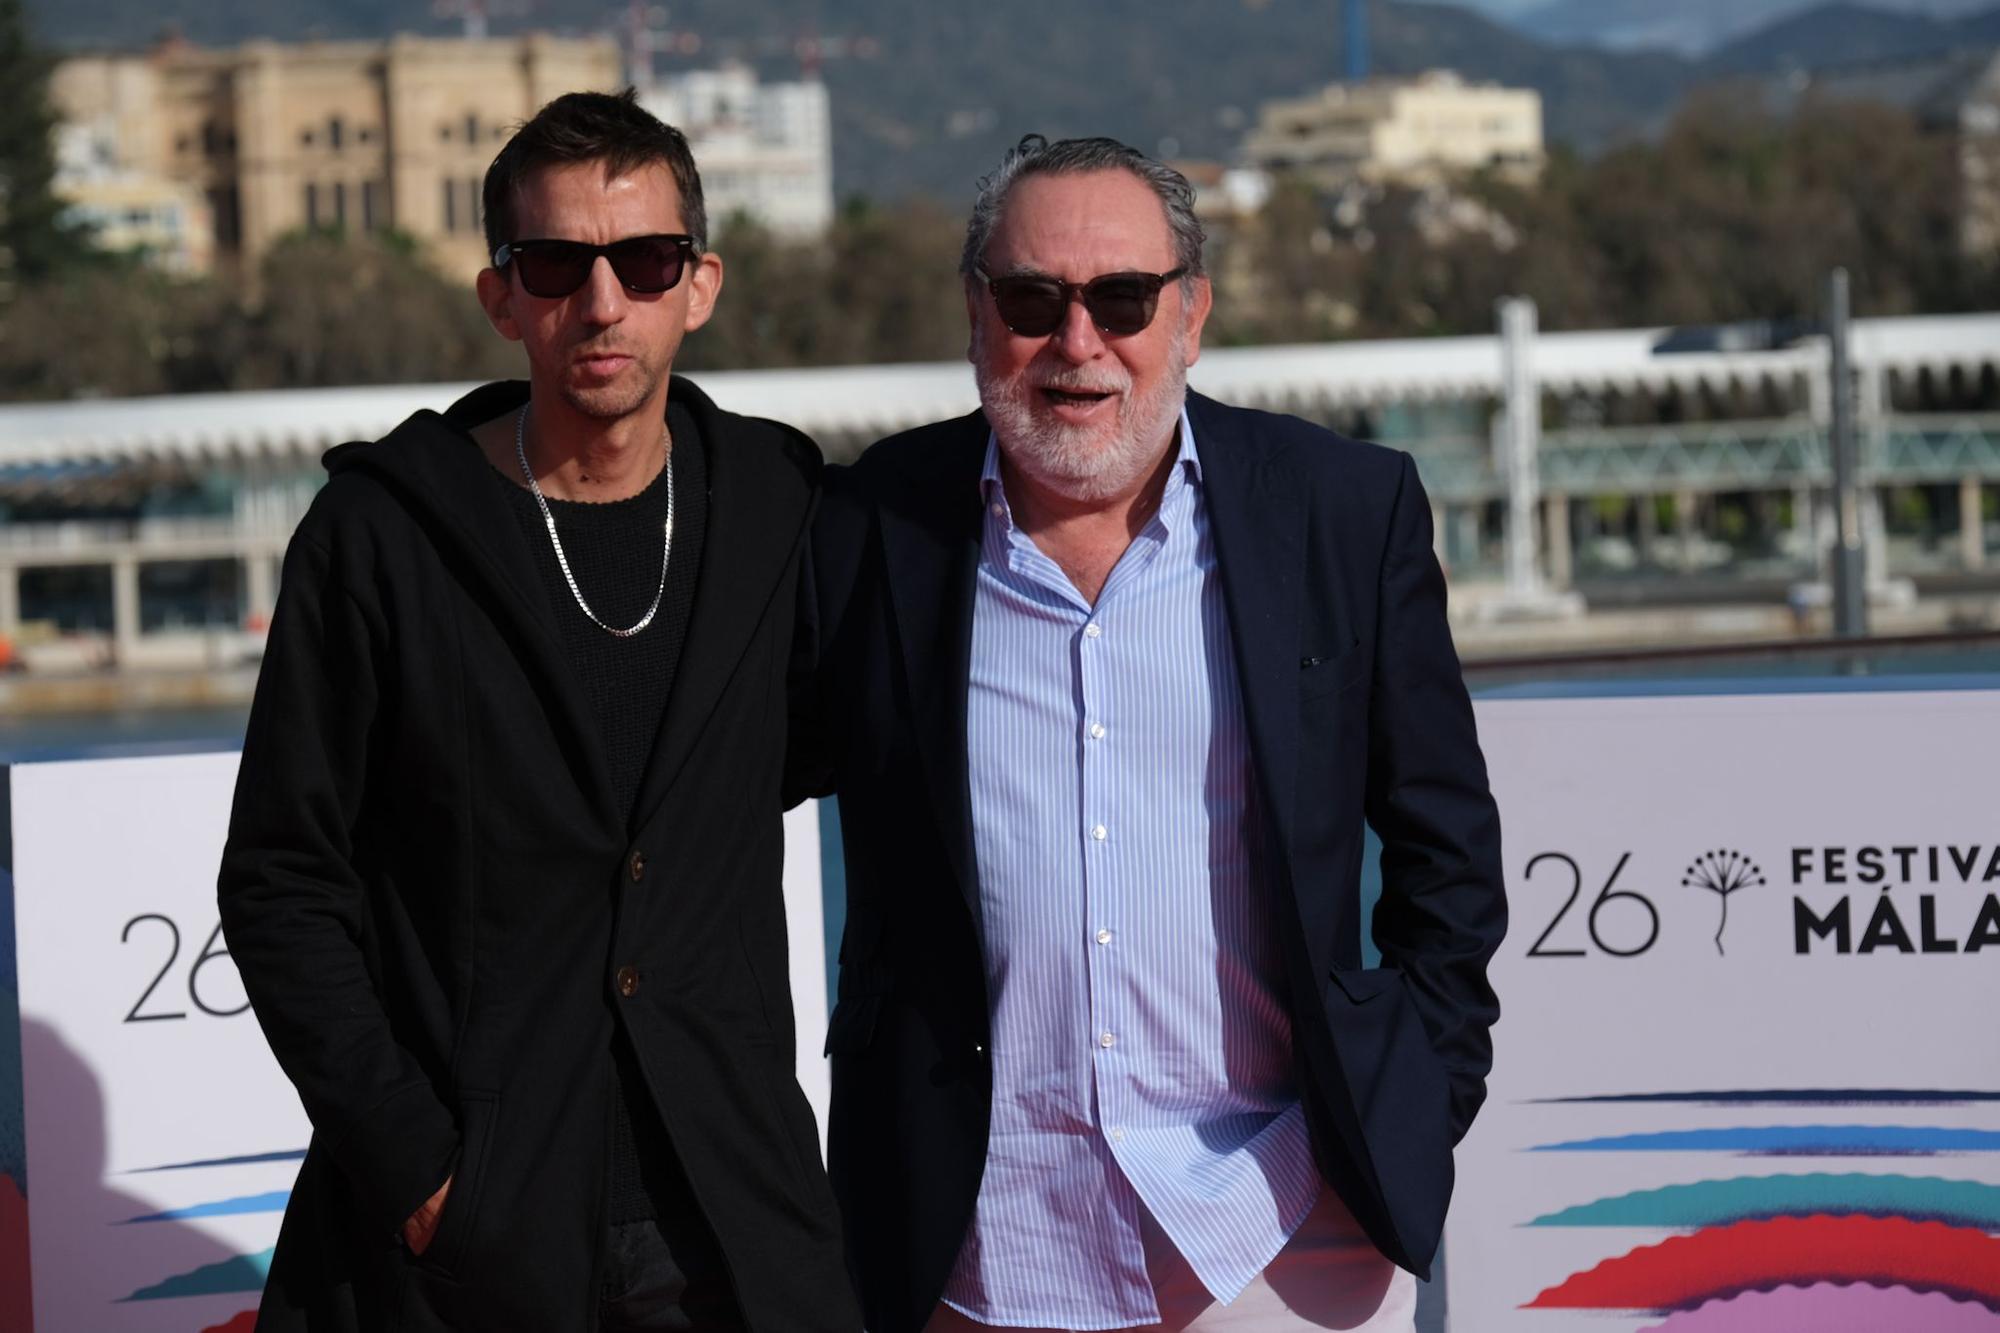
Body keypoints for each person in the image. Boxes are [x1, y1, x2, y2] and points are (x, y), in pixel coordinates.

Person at [789, 135, 1506, 1332]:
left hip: (1280, 1230)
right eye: (1031, 300)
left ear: (1190, 310)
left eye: (1121, 298)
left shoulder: (1339, 511)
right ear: (977, 315)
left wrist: (1414, 1097)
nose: (1078, 343)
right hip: (971, 1248)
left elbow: (1446, 849)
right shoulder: (868, 528)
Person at [219, 90, 858, 1333]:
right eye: (558, 263)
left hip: (733, 1222)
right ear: (502, 295)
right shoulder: (382, 538)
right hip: (471, 1252)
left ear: (700, 283)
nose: (602, 301)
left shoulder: (782, 512)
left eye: (645, 259)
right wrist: (419, 1173)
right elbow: (283, 880)